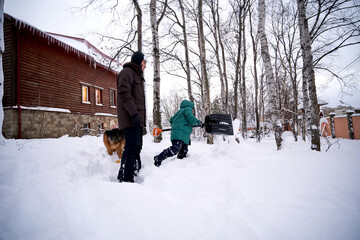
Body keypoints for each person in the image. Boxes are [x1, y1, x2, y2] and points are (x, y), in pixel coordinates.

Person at [116, 51, 147, 182]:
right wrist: (134, 114)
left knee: (137, 147)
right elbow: (124, 93)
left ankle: (130, 172)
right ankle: (126, 178)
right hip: (130, 118)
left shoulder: (136, 75)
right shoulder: (127, 73)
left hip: (136, 119)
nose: (145, 65)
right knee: (131, 147)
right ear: (140, 62)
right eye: (145, 62)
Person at [154, 99, 203, 167]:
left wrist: (177, 124)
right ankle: (159, 158)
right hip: (179, 134)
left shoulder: (179, 112)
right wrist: (199, 123)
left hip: (183, 135)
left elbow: (171, 120)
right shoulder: (187, 109)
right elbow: (190, 118)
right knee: (175, 149)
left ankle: (179, 165)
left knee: (183, 151)